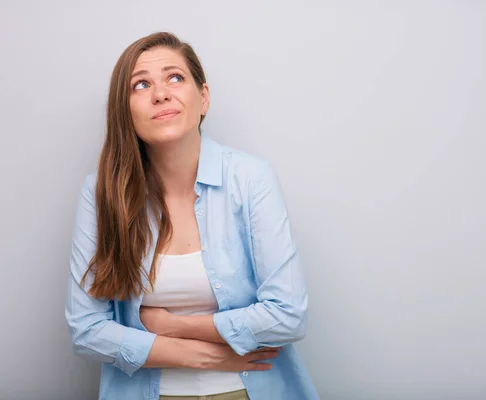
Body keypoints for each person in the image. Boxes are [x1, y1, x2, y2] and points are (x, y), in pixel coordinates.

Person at [65, 31, 319, 400]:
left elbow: (288, 315)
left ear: (203, 98)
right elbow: (86, 330)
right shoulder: (101, 193)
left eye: (175, 77)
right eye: (140, 84)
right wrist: (201, 356)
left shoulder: (250, 179)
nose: (160, 93)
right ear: (125, 111)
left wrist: (171, 325)